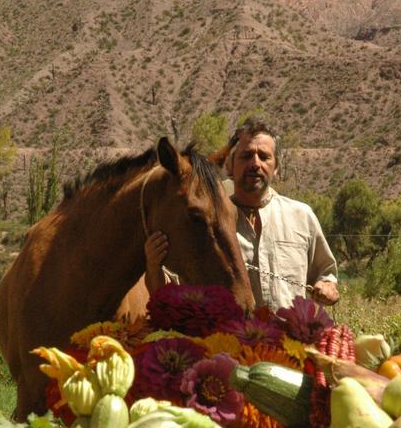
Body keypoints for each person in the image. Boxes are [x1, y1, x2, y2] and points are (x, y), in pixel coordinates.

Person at [144, 119, 339, 312]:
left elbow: (325, 273)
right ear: (229, 167)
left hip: (291, 341)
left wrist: (328, 286)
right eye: (246, 156)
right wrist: (153, 265)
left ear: (276, 167)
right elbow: (171, 292)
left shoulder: (301, 216)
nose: (255, 163)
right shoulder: (205, 222)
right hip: (226, 340)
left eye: (264, 157)